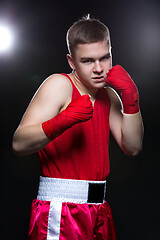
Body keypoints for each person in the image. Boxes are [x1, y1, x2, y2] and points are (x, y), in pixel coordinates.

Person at [12, 15, 144, 240]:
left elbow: (132, 147)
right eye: (88, 61)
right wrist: (63, 120)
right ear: (72, 61)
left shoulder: (108, 95)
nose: (99, 69)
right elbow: (19, 143)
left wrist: (131, 98)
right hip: (61, 209)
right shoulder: (59, 85)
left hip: (99, 209)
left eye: (105, 58)